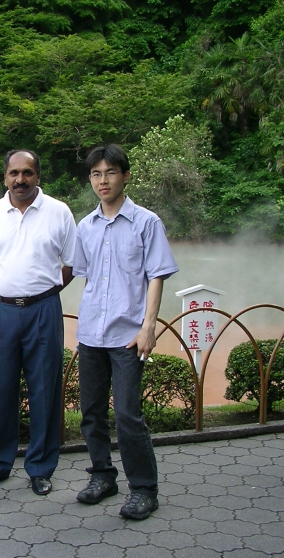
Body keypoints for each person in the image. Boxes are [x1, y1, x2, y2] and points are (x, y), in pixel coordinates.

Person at [73, 143, 178, 519]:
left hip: (129, 335)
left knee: (128, 415)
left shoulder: (146, 222)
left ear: (125, 175)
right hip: (91, 334)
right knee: (91, 413)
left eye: (110, 172)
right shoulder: (85, 226)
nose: (103, 181)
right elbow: (86, 278)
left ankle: (144, 489)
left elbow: (156, 276)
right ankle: (102, 476)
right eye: (96, 174)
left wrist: (149, 326)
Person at [0, 149, 76, 496]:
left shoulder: (59, 212)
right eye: (14, 173)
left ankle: (41, 468)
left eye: (27, 173)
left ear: (38, 176)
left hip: (44, 310)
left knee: (44, 389)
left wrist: (41, 292)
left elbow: (71, 264)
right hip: (3, 311)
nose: (20, 179)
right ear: (5, 177)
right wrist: (13, 289)